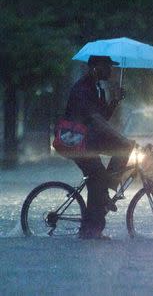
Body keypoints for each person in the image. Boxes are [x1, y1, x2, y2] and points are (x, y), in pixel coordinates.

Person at [64, 55, 134, 239]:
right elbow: (95, 120)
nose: (110, 70)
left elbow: (102, 117)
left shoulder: (96, 88)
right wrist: (118, 137)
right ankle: (91, 228)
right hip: (76, 142)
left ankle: (105, 194)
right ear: (96, 67)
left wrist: (115, 101)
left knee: (124, 149)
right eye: (107, 67)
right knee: (98, 177)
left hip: (88, 141)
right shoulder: (83, 89)